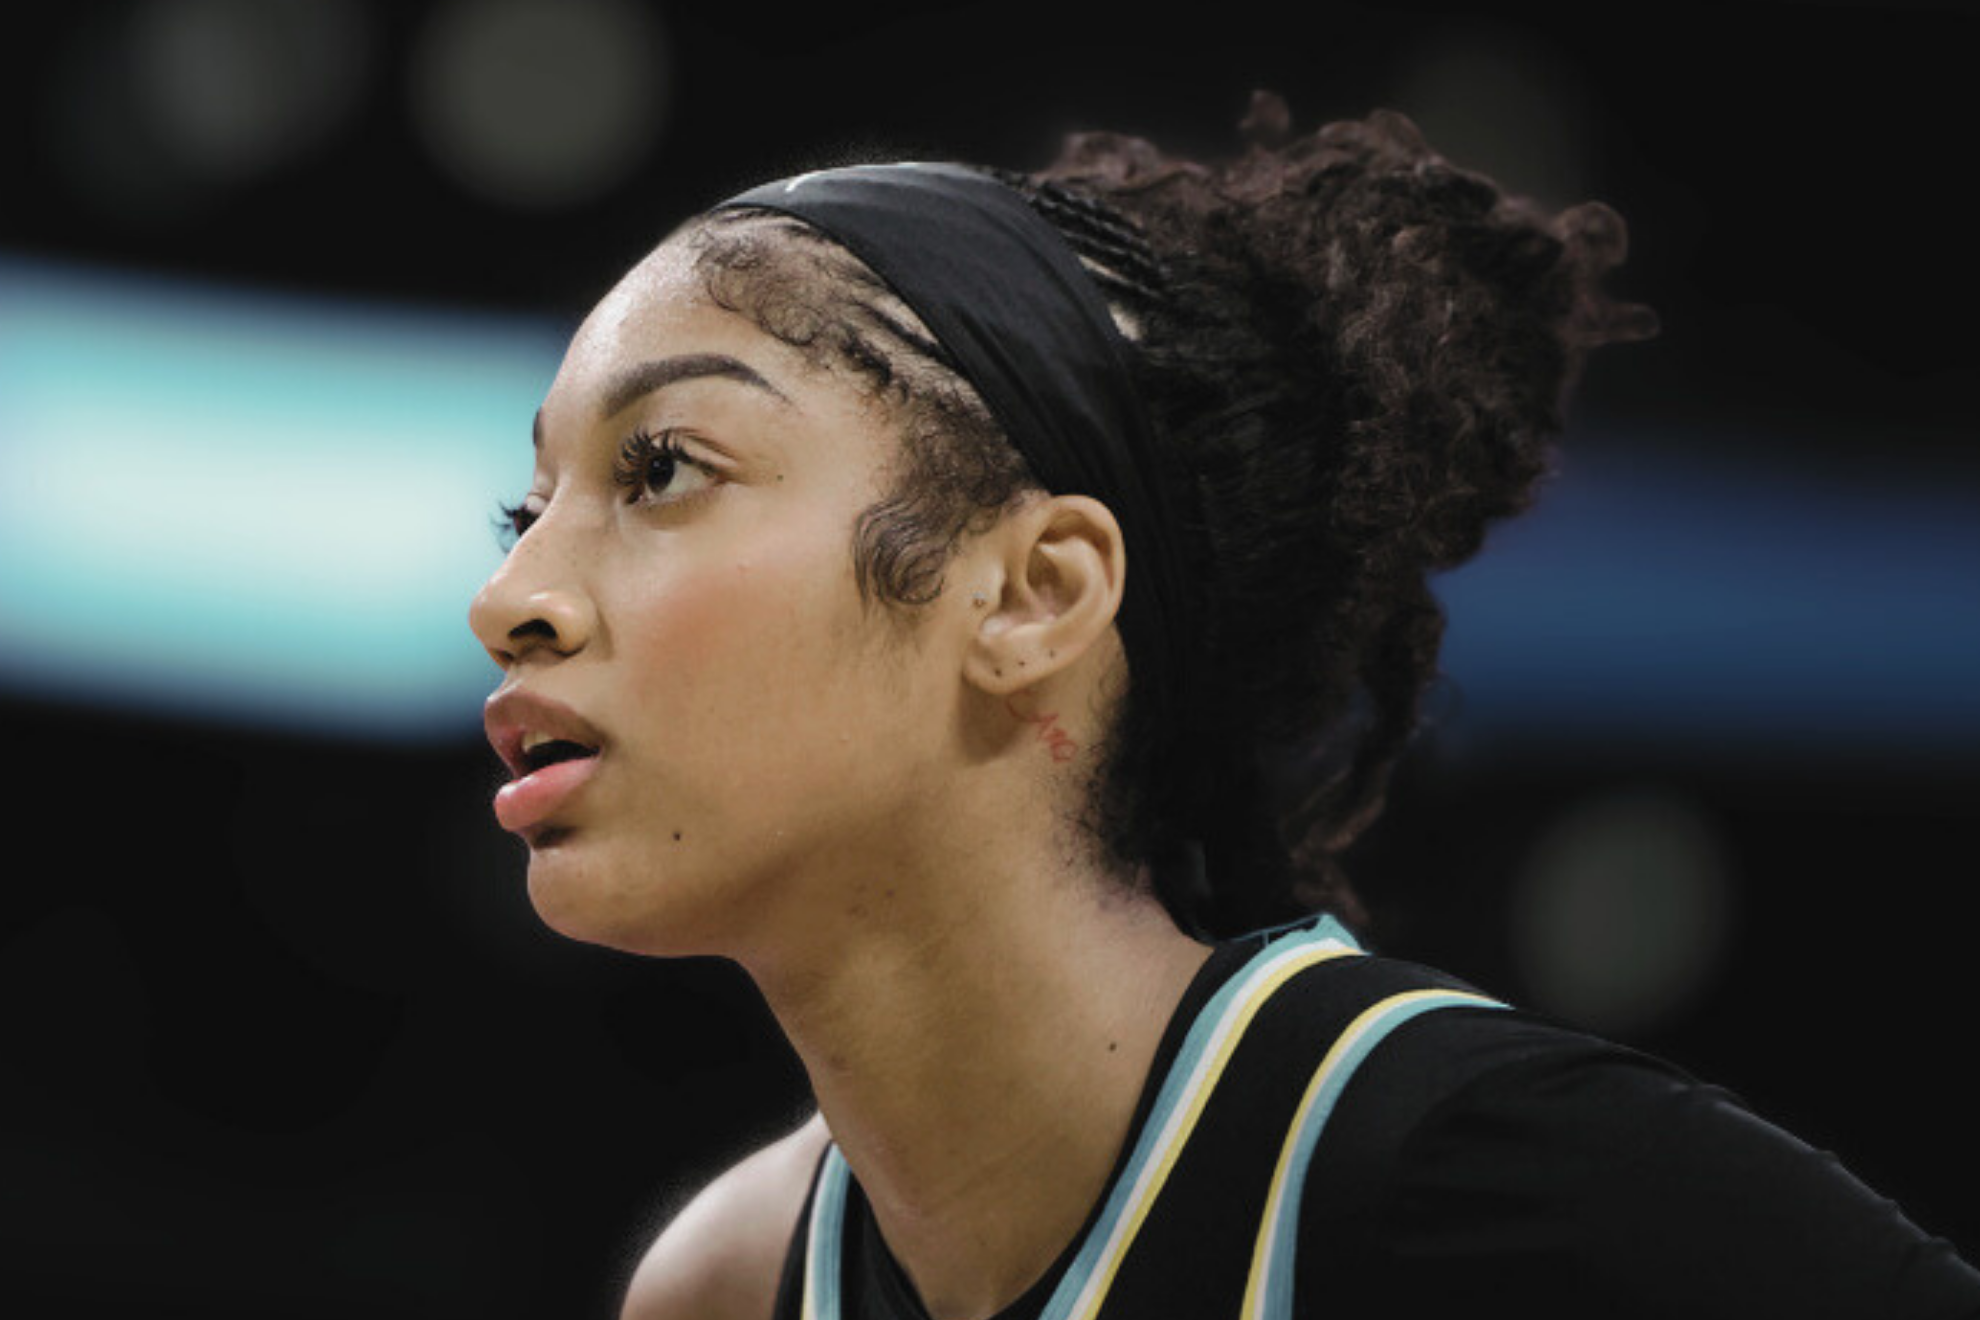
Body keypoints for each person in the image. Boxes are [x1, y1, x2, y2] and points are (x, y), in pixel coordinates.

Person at [468, 94, 1980, 1320]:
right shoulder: (728, 1289)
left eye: (662, 468)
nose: (511, 598)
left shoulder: (1496, 1181)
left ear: (1036, 594)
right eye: (522, 510)